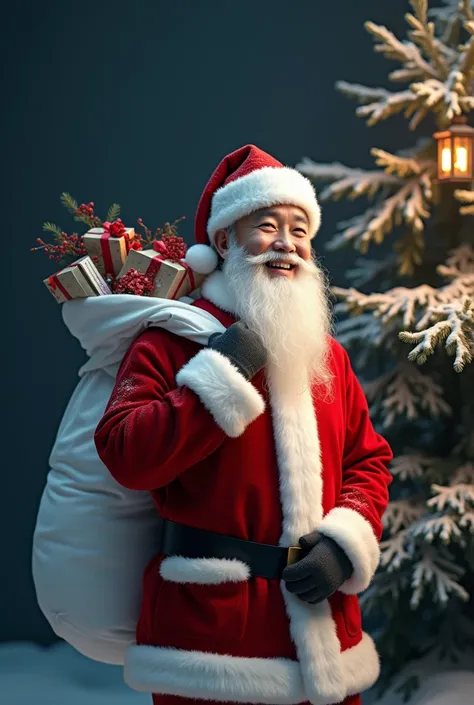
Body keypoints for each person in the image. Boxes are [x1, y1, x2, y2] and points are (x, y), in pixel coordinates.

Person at [94, 144, 393, 705]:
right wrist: (224, 371)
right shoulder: (172, 338)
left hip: (323, 630)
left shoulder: (326, 355)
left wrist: (342, 545)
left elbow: (368, 460)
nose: (287, 243)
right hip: (210, 639)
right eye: (267, 225)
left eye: (299, 229)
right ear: (226, 239)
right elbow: (126, 453)